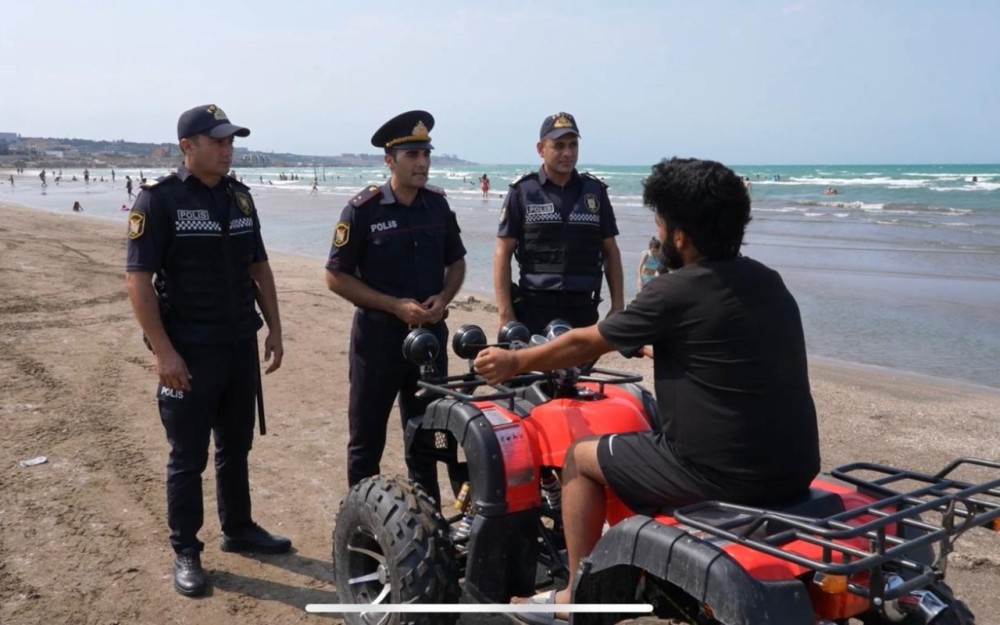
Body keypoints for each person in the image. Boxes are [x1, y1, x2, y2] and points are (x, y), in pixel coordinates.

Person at [474, 157, 820, 616]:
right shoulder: (767, 280)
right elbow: (724, 340)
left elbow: (584, 342)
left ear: (681, 237)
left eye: (660, 221)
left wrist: (515, 360)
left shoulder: (674, 291)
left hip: (718, 474)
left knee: (580, 456)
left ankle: (574, 594)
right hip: (796, 467)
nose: (656, 231)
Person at [124, 104, 290, 598]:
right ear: (187, 146)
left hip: (239, 343)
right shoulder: (159, 200)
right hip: (190, 351)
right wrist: (164, 353)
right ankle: (186, 550)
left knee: (236, 446)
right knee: (188, 456)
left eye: (230, 141)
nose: (227, 149)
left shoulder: (240, 197)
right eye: (217, 141)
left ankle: (238, 528)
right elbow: (138, 282)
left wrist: (275, 330)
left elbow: (259, 268)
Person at [325, 110, 466, 507]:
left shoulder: (437, 205)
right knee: (366, 440)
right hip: (378, 341)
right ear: (389, 160)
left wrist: (444, 298)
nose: (422, 163)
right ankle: (362, 522)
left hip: (429, 341)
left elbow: (457, 262)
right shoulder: (363, 210)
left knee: (427, 437)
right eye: (412, 155)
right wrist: (394, 306)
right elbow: (335, 277)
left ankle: (429, 518)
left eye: (426, 154)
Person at [493, 111, 624, 335]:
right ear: (540, 149)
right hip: (534, 308)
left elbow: (611, 251)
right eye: (559, 146)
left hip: (583, 309)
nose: (568, 153)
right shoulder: (523, 191)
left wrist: (618, 306)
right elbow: (502, 253)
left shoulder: (595, 192)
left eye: (573, 145)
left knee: (582, 361)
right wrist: (505, 313)